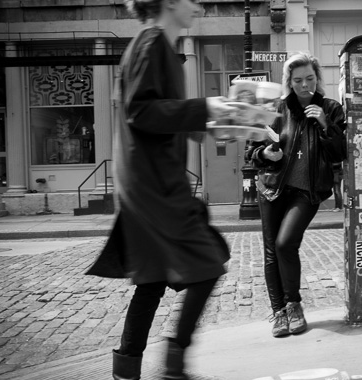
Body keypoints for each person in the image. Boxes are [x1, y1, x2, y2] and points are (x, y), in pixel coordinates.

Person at [85, 1, 233, 379]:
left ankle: (126, 370)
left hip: (148, 182)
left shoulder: (157, 45)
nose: (197, 6)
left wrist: (205, 123)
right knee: (208, 262)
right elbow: (141, 111)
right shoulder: (151, 43)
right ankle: (174, 362)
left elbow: (157, 114)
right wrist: (203, 108)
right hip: (154, 187)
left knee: (151, 280)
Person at [245, 52, 346, 337]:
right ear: (289, 81)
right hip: (272, 188)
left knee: (285, 243)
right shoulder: (276, 109)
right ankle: (279, 312)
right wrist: (265, 152)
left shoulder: (331, 108)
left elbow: (340, 152)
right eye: (298, 80)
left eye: (310, 79)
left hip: (307, 192)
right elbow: (251, 152)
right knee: (270, 251)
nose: (305, 85)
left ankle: (294, 305)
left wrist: (326, 125)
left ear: (318, 78)